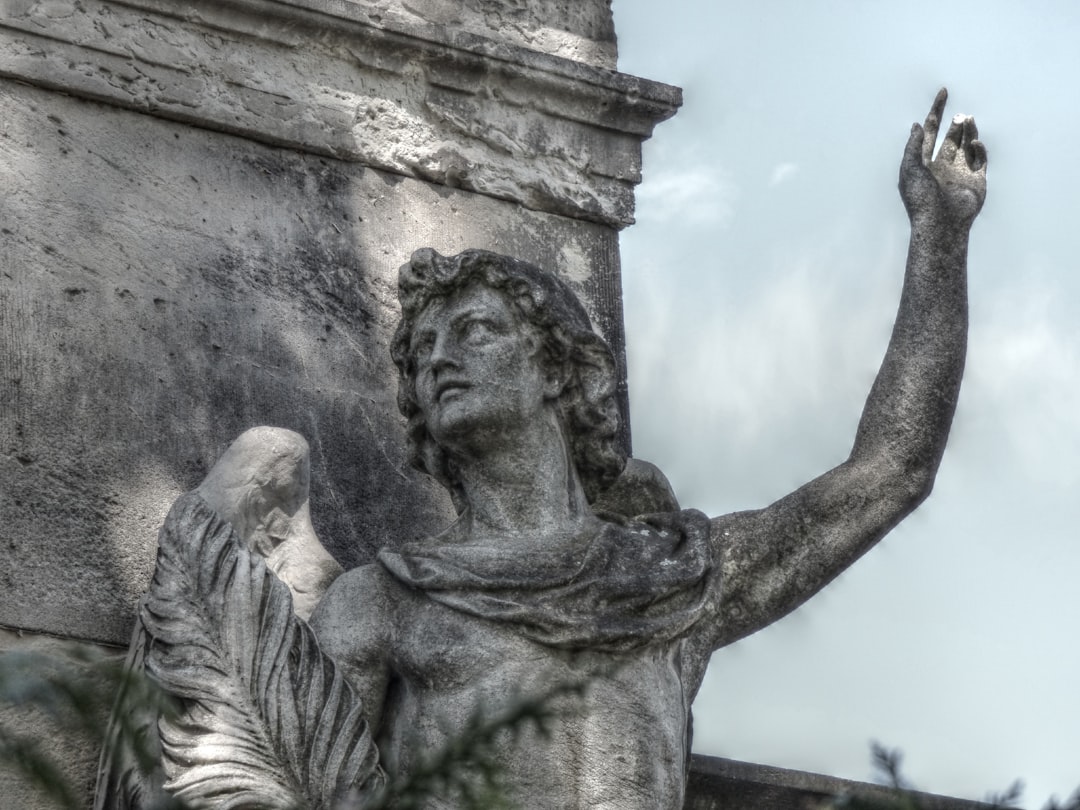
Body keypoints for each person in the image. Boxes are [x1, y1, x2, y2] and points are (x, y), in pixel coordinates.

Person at [100, 90, 986, 809]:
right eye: (424, 350)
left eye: (476, 330)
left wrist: (940, 237)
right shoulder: (385, 602)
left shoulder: (672, 580)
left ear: (560, 369)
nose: (441, 356)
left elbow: (889, 473)